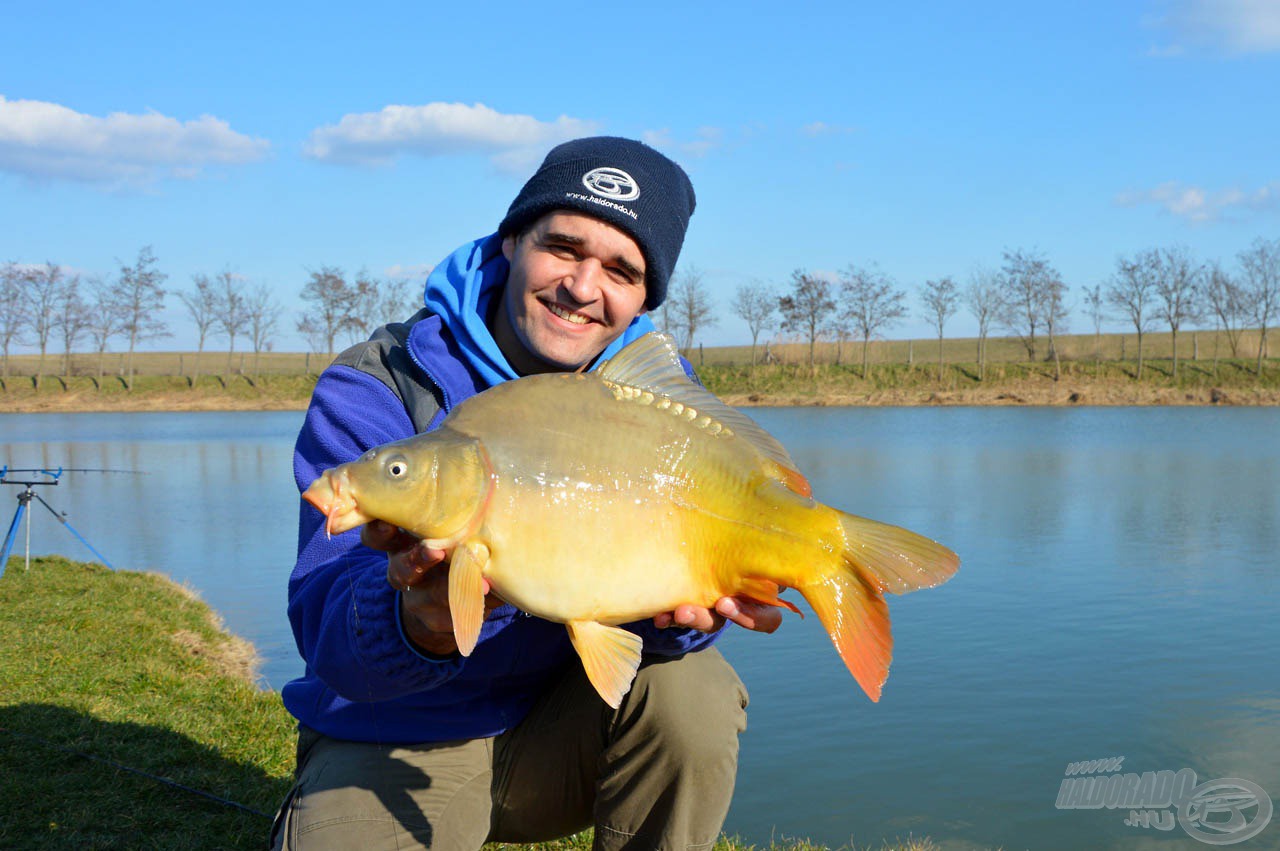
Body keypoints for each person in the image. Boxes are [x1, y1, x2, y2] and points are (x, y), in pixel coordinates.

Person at [272, 137, 783, 851]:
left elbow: (675, 601)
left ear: (644, 297)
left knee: (693, 693)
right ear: (511, 239)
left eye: (620, 269)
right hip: (395, 736)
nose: (582, 285)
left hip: (559, 738)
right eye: (563, 247)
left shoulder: (662, 413)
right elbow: (324, 626)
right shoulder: (378, 386)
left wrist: (683, 620)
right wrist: (414, 622)